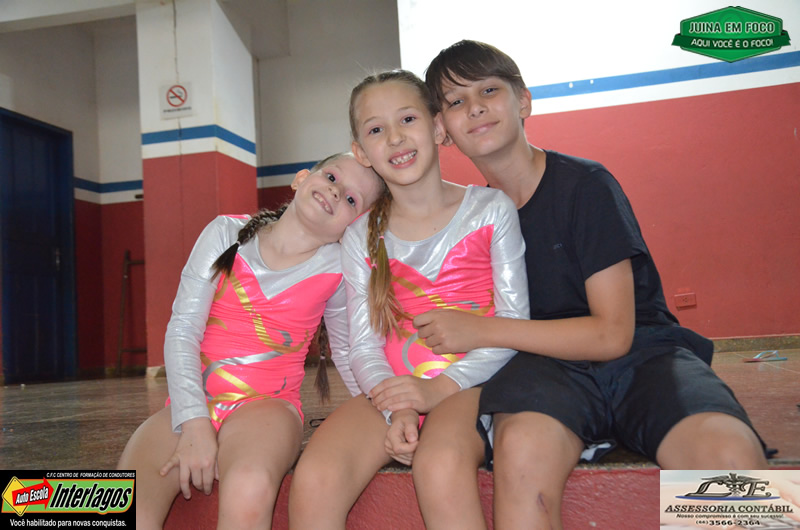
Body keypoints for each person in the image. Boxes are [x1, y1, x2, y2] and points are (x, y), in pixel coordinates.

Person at [411, 39, 769, 529]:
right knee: (521, 452)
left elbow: (612, 334)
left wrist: (481, 330)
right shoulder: (472, 221)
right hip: (543, 369)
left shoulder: (586, 185)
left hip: (642, 354)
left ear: (523, 101)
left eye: (488, 90)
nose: (474, 107)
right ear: (442, 130)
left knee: (729, 456)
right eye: (456, 101)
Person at [288, 69, 529, 529]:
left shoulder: (490, 210)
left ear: (437, 127)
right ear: (362, 151)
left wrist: (438, 388)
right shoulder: (360, 236)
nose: (395, 138)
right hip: (392, 389)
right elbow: (363, 345)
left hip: (472, 383)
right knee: (316, 476)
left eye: (407, 119)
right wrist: (395, 402)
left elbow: (514, 325)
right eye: (376, 129)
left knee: (439, 465)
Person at [117, 152, 383, 529]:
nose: (337, 192)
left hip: (269, 408)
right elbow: (183, 329)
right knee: (126, 504)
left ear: (355, 227)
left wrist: (381, 413)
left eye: (353, 199)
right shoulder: (225, 233)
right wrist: (193, 422)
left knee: (249, 484)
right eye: (331, 177)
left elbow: (349, 349)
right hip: (191, 403)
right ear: (300, 178)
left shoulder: (338, 267)